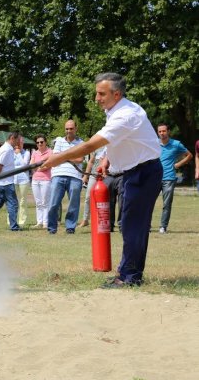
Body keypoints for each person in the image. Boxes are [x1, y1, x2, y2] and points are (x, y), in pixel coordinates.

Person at [40, 73, 162, 288]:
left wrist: (57, 158)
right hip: (134, 171)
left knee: (132, 226)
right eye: (96, 93)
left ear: (117, 94)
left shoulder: (125, 115)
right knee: (131, 225)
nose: (97, 98)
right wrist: (107, 158)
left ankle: (129, 277)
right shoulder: (114, 109)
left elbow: (89, 146)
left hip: (142, 173)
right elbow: (120, 141)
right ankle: (128, 273)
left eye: (101, 94)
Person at [47, 120, 84, 234]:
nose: (69, 131)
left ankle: (70, 227)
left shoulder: (81, 143)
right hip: (58, 175)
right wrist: (70, 156)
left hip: (75, 176)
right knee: (53, 203)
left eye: (71, 128)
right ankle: (52, 228)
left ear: (76, 129)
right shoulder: (59, 141)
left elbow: (80, 159)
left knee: (73, 204)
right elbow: (54, 157)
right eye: (67, 129)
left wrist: (63, 157)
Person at [156, 123, 192, 233]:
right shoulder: (154, 144)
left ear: (168, 131)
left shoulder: (176, 144)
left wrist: (178, 164)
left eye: (164, 131)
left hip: (169, 178)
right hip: (154, 178)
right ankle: (146, 226)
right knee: (149, 202)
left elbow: (189, 155)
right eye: (160, 131)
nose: (162, 133)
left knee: (167, 204)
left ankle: (163, 227)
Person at [78, 146, 107, 228]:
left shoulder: (111, 147)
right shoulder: (97, 148)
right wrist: (85, 176)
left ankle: (102, 220)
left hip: (106, 176)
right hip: (93, 175)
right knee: (88, 197)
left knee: (103, 199)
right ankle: (85, 219)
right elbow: (91, 162)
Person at [29, 134, 51, 228]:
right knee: (38, 202)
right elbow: (31, 164)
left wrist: (38, 168)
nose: (39, 144)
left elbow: (48, 165)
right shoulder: (34, 152)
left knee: (45, 202)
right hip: (35, 180)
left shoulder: (50, 152)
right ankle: (39, 222)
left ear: (45, 142)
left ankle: (46, 222)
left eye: (41, 142)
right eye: (37, 142)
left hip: (45, 180)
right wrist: (40, 166)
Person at [12, 137, 30, 226]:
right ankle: (11, 221)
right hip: (13, 179)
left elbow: (24, 165)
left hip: (24, 180)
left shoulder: (27, 153)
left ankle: (22, 222)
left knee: (22, 201)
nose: (19, 144)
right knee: (12, 201)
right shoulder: (11, 153)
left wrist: (19, 154)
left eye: (21, 142)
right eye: (17, 142)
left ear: (23, 143)